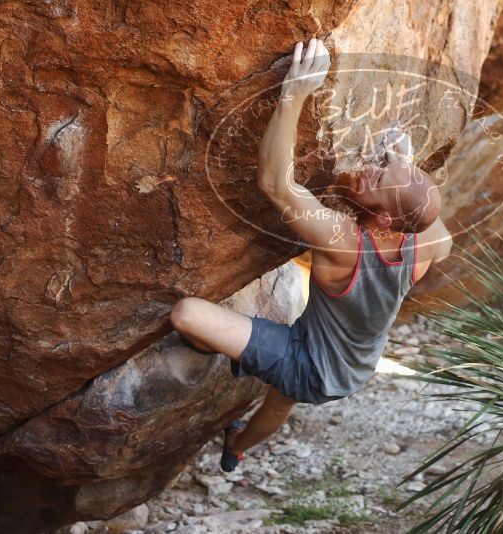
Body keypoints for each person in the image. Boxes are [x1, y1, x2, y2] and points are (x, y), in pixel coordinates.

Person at [169, 38, 452, 472]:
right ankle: (237, 448)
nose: (369, 166)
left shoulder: (345, 241)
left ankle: (222, 353)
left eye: (377, 178)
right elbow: (436, 226)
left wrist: (294, 93)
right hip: (351, 369)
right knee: (281, 404)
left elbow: (276, 185)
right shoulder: (425, 245)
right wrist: (404, 167)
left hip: (309, 364)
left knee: (188, 315)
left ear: (381, 220)